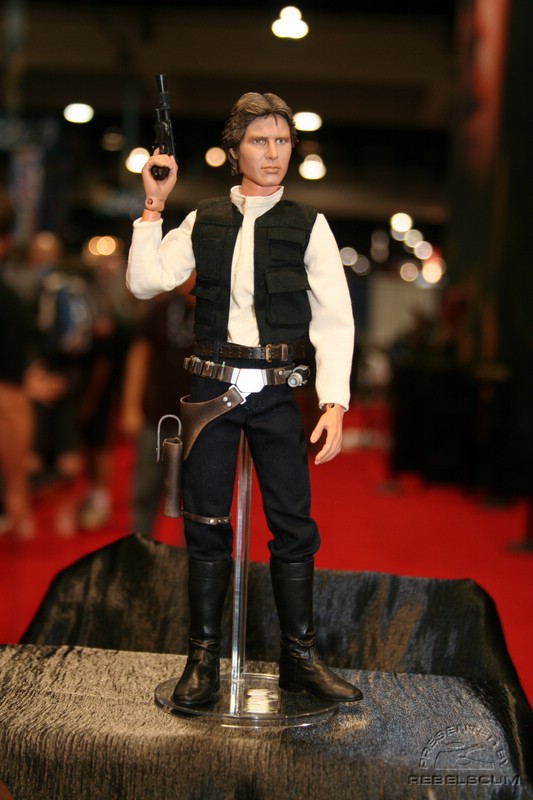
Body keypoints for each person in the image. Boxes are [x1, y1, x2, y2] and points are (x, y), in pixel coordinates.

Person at [127, 92, 361, 706]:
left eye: (282, 141)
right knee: (206, 523)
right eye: (260, 141)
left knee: (294, 525)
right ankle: (203, 658)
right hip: (213, 390)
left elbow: (335, 319)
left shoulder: (309, 223)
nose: (273, 153)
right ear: (235, 150)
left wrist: (334, 402)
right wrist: (154, 204)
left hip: (280, 391)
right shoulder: (203, 218)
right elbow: (145, 281)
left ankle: (298, 659)